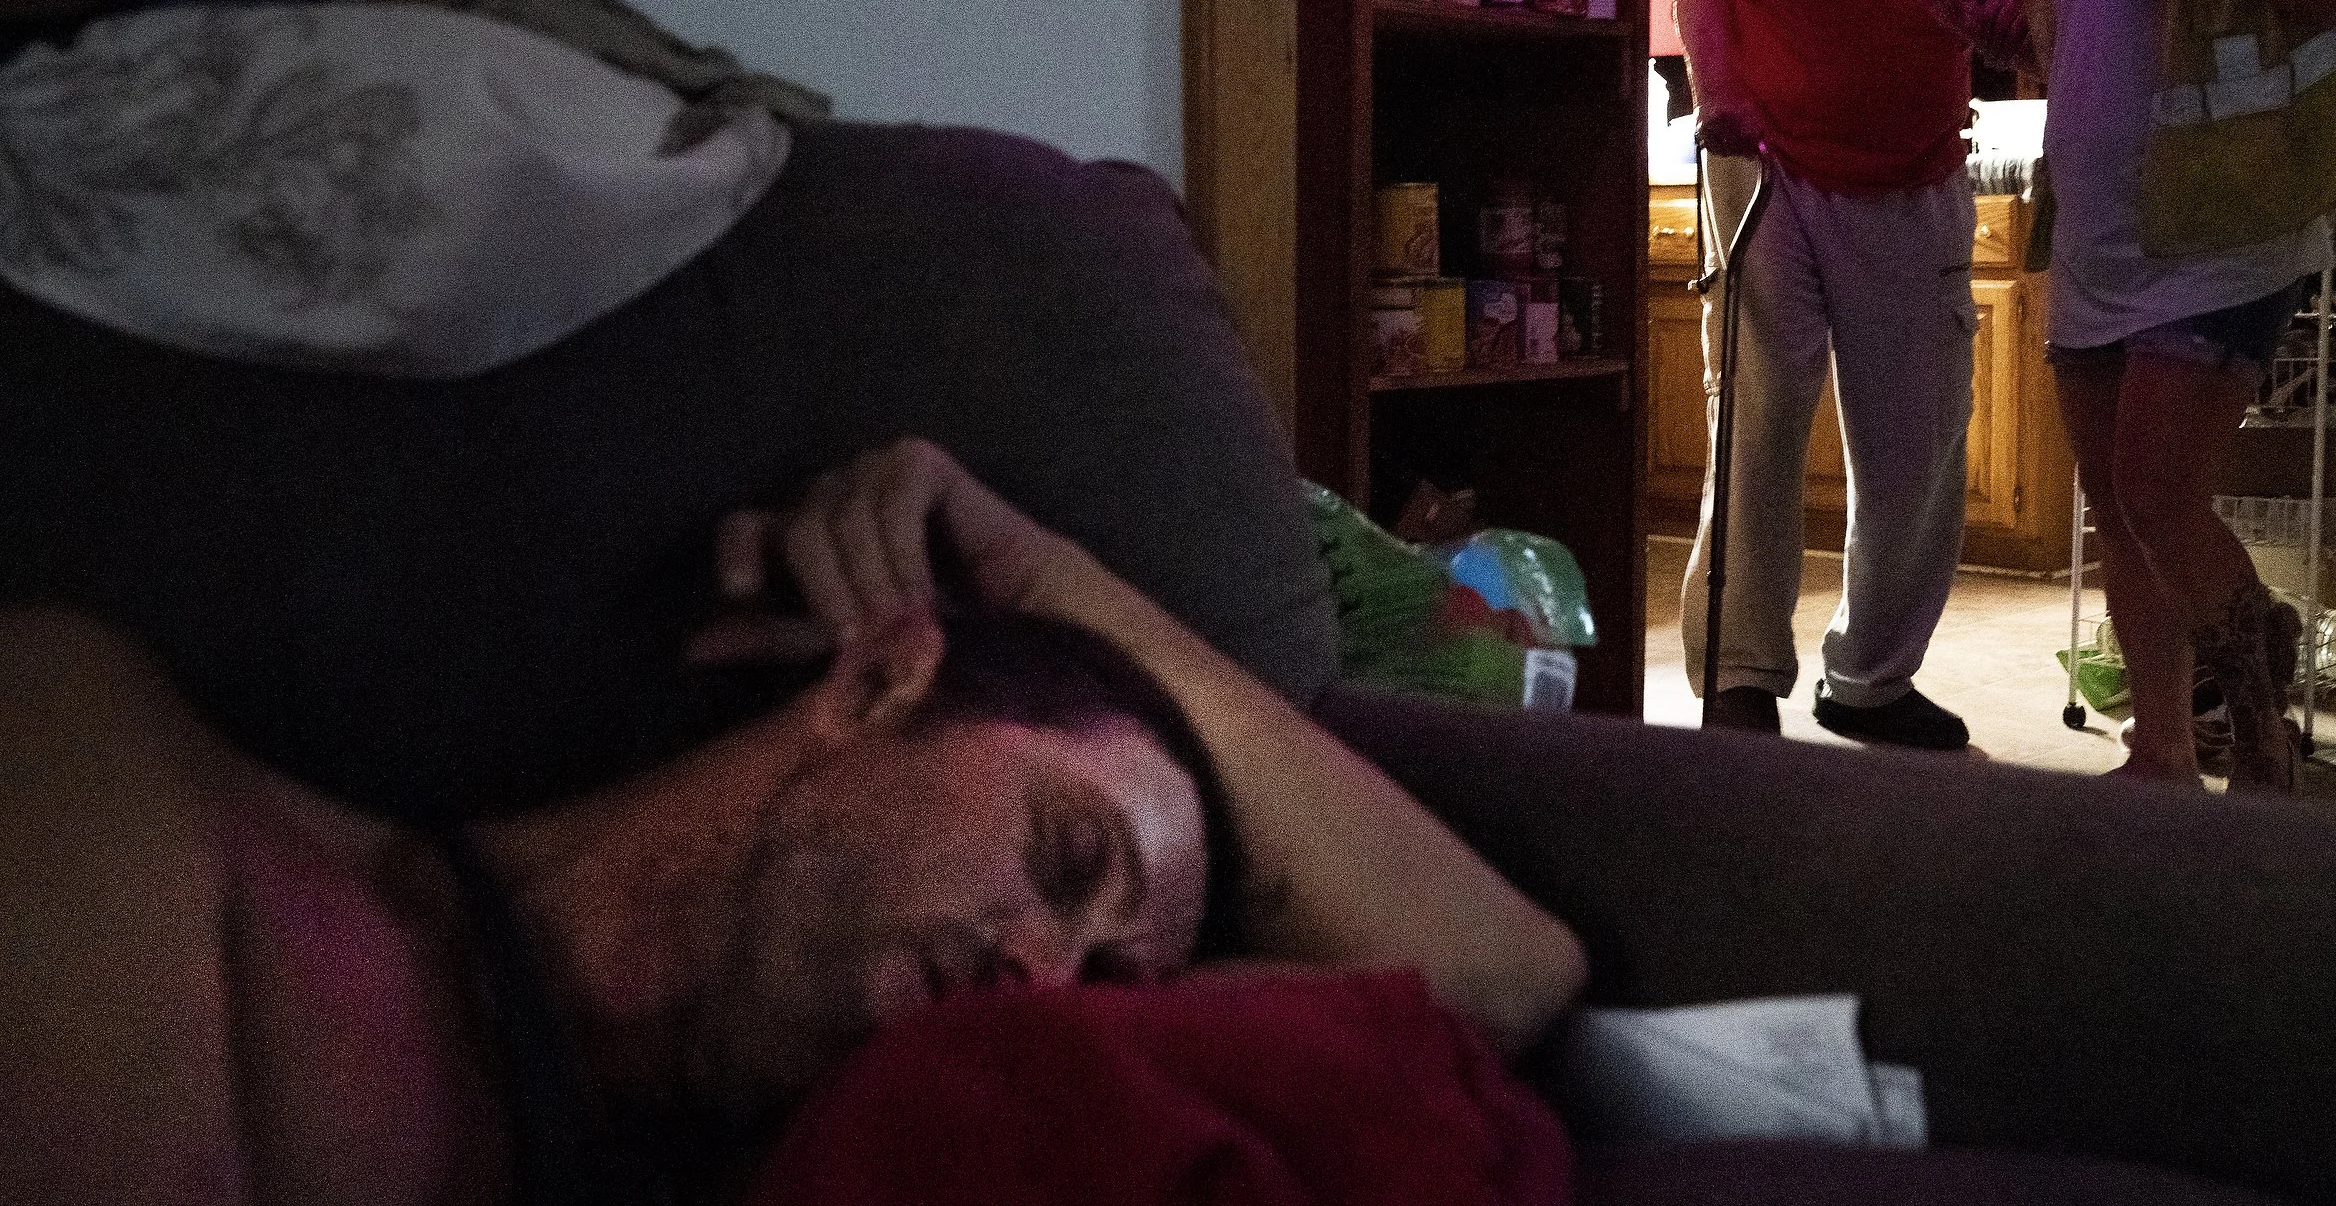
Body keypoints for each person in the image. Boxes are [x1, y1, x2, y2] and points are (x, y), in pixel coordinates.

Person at [1, 438, 1587, 1205]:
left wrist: (1051, 572)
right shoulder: (121, 781)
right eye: (1062, 854)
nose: (1044, 980)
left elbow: (1499, 971)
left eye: (1102, 987)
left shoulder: (866, 1148)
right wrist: (996, 589)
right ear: (886, 674)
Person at [1911, 0, 2336, 793]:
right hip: (2104, 223)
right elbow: (2071, 43)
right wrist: (1985, 18)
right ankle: (2159, 748)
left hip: (2225, 217)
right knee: (2116, 500)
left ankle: (2260, 745)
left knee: (2159, 489)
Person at [1669, 0, 2056, 746]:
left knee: (1919, 442)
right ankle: (1739, 677)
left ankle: (1871, 681)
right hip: (1770, 167)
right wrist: (1720, 88)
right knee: (1755, 425)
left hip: (1915, 173)